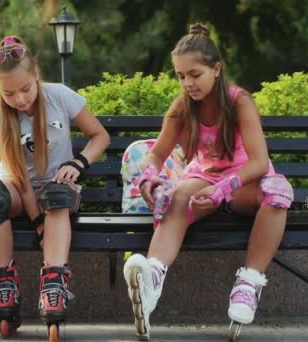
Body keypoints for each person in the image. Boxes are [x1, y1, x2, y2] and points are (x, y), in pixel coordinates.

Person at [122, 23, 294, 341]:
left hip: (245, 181)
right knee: (174, 198)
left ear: (217, 69)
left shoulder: (239, 102)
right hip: (204, 179)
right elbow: (155, 156)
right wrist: (149, 179)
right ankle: (151, 280)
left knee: (276, 193)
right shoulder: (180, 109)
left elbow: (259, 162)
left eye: (195, 74)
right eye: (180, 75)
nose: (187, 83)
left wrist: (223, 190)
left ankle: (249, 283)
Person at [0, 35, 110, 337]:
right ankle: (4, 282)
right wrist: (36, 222)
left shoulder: (59, 96)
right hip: (18, 186)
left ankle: (54, 285)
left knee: (57, 197)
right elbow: (18, 175)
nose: (20, 100)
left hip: (56, 185)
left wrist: (78, 164)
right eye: (9, 94)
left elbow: (100, 136)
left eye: (25, 89)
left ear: (36, 76)